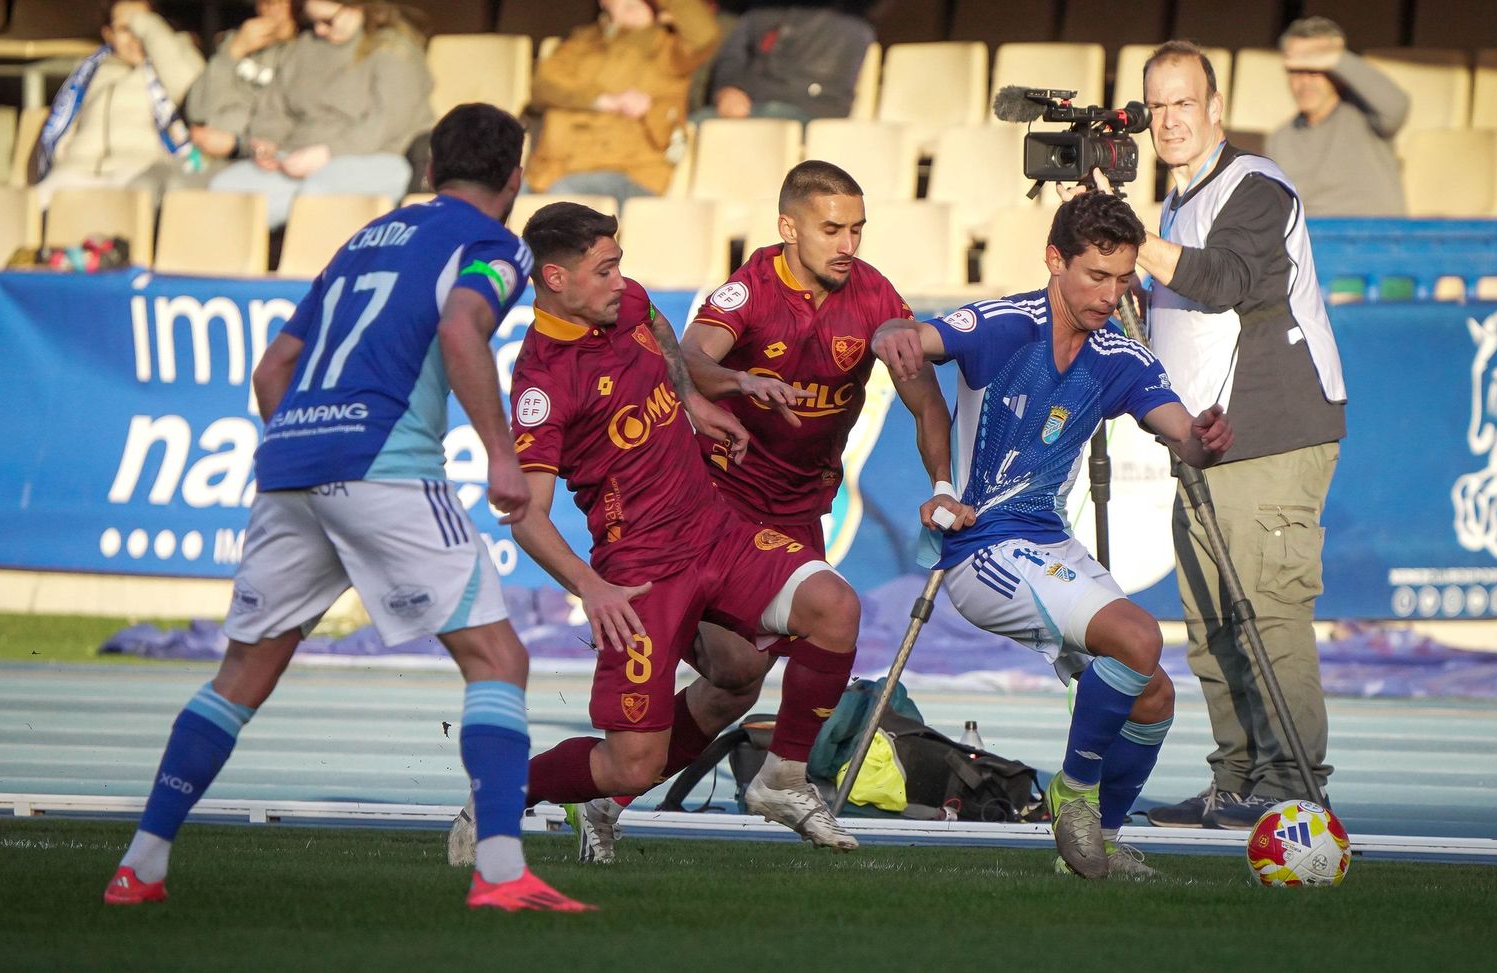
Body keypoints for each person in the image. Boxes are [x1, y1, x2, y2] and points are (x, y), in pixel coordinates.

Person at [103, 103, 591, 914]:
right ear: (514, 180)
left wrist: (312, 450)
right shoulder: (492, 243)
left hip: (291, 457)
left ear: (430, 171)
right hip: (385, 465)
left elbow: (273, 370)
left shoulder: (362, 240)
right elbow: (465, 329)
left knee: (240, 676)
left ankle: (140, 866)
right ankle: (503, 873)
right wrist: (502, 454)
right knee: (500, 661)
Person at [558, 160, 961, 863]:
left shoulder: (874, 297)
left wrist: (944, 482)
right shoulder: (749, 289)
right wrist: (741, 378)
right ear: (788, 228)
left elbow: (926, 399)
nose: (847, 243)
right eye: (831, 229)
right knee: (736, 672)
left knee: (733, 688)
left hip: (798, 514)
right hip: (709, 508)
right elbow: (690, 358)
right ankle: (725, 777)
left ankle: (609, 799)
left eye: (857, 229)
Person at [872, 191, 1235, 880]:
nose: (1110, 293)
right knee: (1138, 637)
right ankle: (1075, 793)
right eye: (1096, 275)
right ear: (1054, 260)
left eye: (1123, 278)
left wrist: (1207, 440)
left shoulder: (1119, 356)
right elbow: (908, 336)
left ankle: (1094, 845)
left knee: (1153, 693)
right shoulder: (1006, 324)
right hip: (982, 550)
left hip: (1047, 542)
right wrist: (893, 331)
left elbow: (1186, 437)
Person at [496, 201, 864, 855]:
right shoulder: (544, 382)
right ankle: (501, 794)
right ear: (556, 278)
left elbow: (659, 327)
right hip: (641, 571)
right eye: (605, 269)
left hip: (715, 529)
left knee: (821, 614)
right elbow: (527, 514)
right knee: (634, 759)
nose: (622, 281)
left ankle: (782, 777)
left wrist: (691, 399)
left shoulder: (624, 301)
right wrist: (591, 586)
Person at [1135, 41, 1348, 830]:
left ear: (1216, 108)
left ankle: (1292, 779)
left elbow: (1225, 280)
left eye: (1183, 102)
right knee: (1211, 618)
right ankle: (1237, 775)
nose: (1169, 120)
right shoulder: (1177, 204)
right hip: (1207, 441)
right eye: (1156, 106)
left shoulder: (1257, 185)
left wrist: (1132, 244)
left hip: (1274, 432)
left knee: (1266, 609)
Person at [209, 0, 432, 229]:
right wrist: (265, 142)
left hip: (374, 158)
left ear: (357, 7)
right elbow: (276, 107)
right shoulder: (304, 49)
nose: (319, 30)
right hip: (295, 160)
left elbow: (385, 123)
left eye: (328, 21)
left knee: (319, 194)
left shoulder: (393, 51)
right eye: (312, 21)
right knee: (225, 190)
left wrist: (328, 154)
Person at [524, 0, 720, 210]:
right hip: (549, 172)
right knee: (500, 198)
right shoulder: (583, 41)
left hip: (629, 174)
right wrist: (601, 100)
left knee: (562, 199)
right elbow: (543, 85)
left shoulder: (668, 48)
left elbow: (704, 35)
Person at [30, 0, 204, 206]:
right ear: (108, 34)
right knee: (31, 205)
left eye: (142, 25)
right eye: (124, 29)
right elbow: (64, 125)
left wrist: (150, 28)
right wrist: (63, 160)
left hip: (139, 169)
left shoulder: (173, 57)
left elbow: (194, 90)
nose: (135, 38)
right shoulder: (91, 70)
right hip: (78, 169)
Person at [1265, 16, 1410, 216]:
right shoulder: (1281, 139)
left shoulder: (1368, 114)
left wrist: (1338, 59)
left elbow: (1397, 106)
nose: (1304, 81)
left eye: (1316, 69)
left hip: (1377, 238)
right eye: (1296, 71)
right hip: (1315, 240)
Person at [689, 4, 874, 124]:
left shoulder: (852, 25)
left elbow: (830, 98)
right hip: (748, 108)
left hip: (804, 115)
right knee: (690, 128)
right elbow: (731, 57)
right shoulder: (760, 13)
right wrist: (728, 90)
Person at [183, 0, 302, 167]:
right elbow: (197, 111)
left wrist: (237, 144)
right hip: (208, 153)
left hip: (260, 157)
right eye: (265, 3)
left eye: (281, 3)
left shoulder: (306, 51)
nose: (271, 8)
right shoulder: (238, 41)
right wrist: (234, 51)